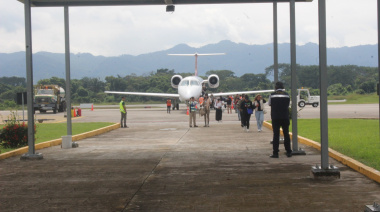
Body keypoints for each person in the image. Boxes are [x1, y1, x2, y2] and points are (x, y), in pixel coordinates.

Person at [268, 81, 292, 158]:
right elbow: (288, 104)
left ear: (275, 87)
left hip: (275, 117)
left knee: (276, 135)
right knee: (286, 134)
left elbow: (269, 104)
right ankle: (288, 151)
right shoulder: (287, 95)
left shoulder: (272, 95)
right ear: (283, 87)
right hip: (285, 116)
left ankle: (275, 153)